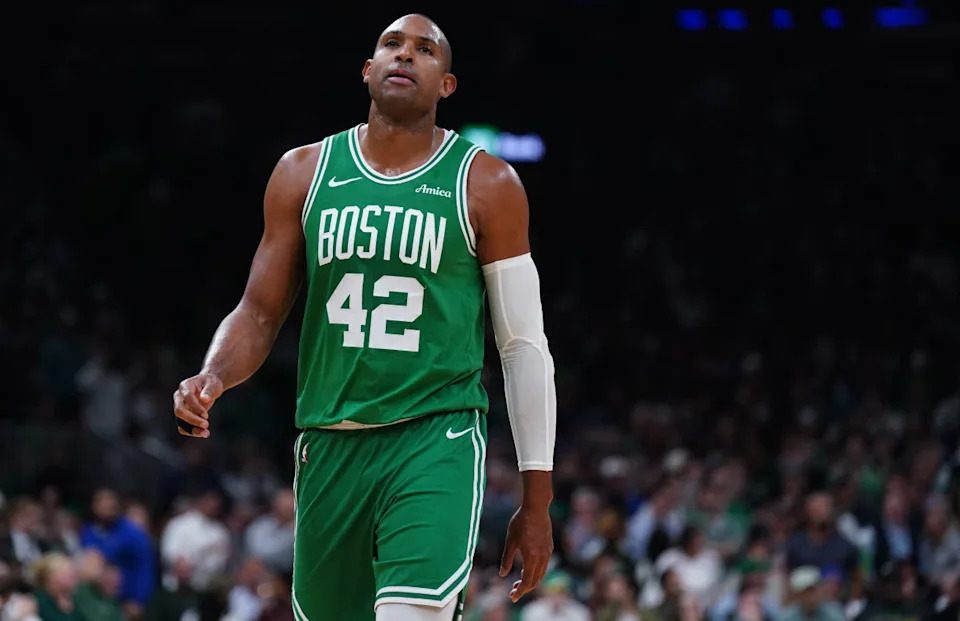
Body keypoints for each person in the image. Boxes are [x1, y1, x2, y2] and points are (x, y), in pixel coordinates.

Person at [172, 13, 557, 621]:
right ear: (368, 70)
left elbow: (523, 344)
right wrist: (213, 375)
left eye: (424, 49)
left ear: (446, 84)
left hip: (434, 436)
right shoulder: (302, 173)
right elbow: (258, 312)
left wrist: (537, 501)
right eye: (391, 45)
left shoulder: (486, 182)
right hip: (329, 443)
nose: (405, 55)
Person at [78, 489, 155, 618]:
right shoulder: (88, 531)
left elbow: (144, 567)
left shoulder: (133, 534)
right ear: (95, 507)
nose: (108, 512)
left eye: (111, 507)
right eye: (103, 507)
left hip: (126, 598)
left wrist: (138, 600)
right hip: (96, 598)